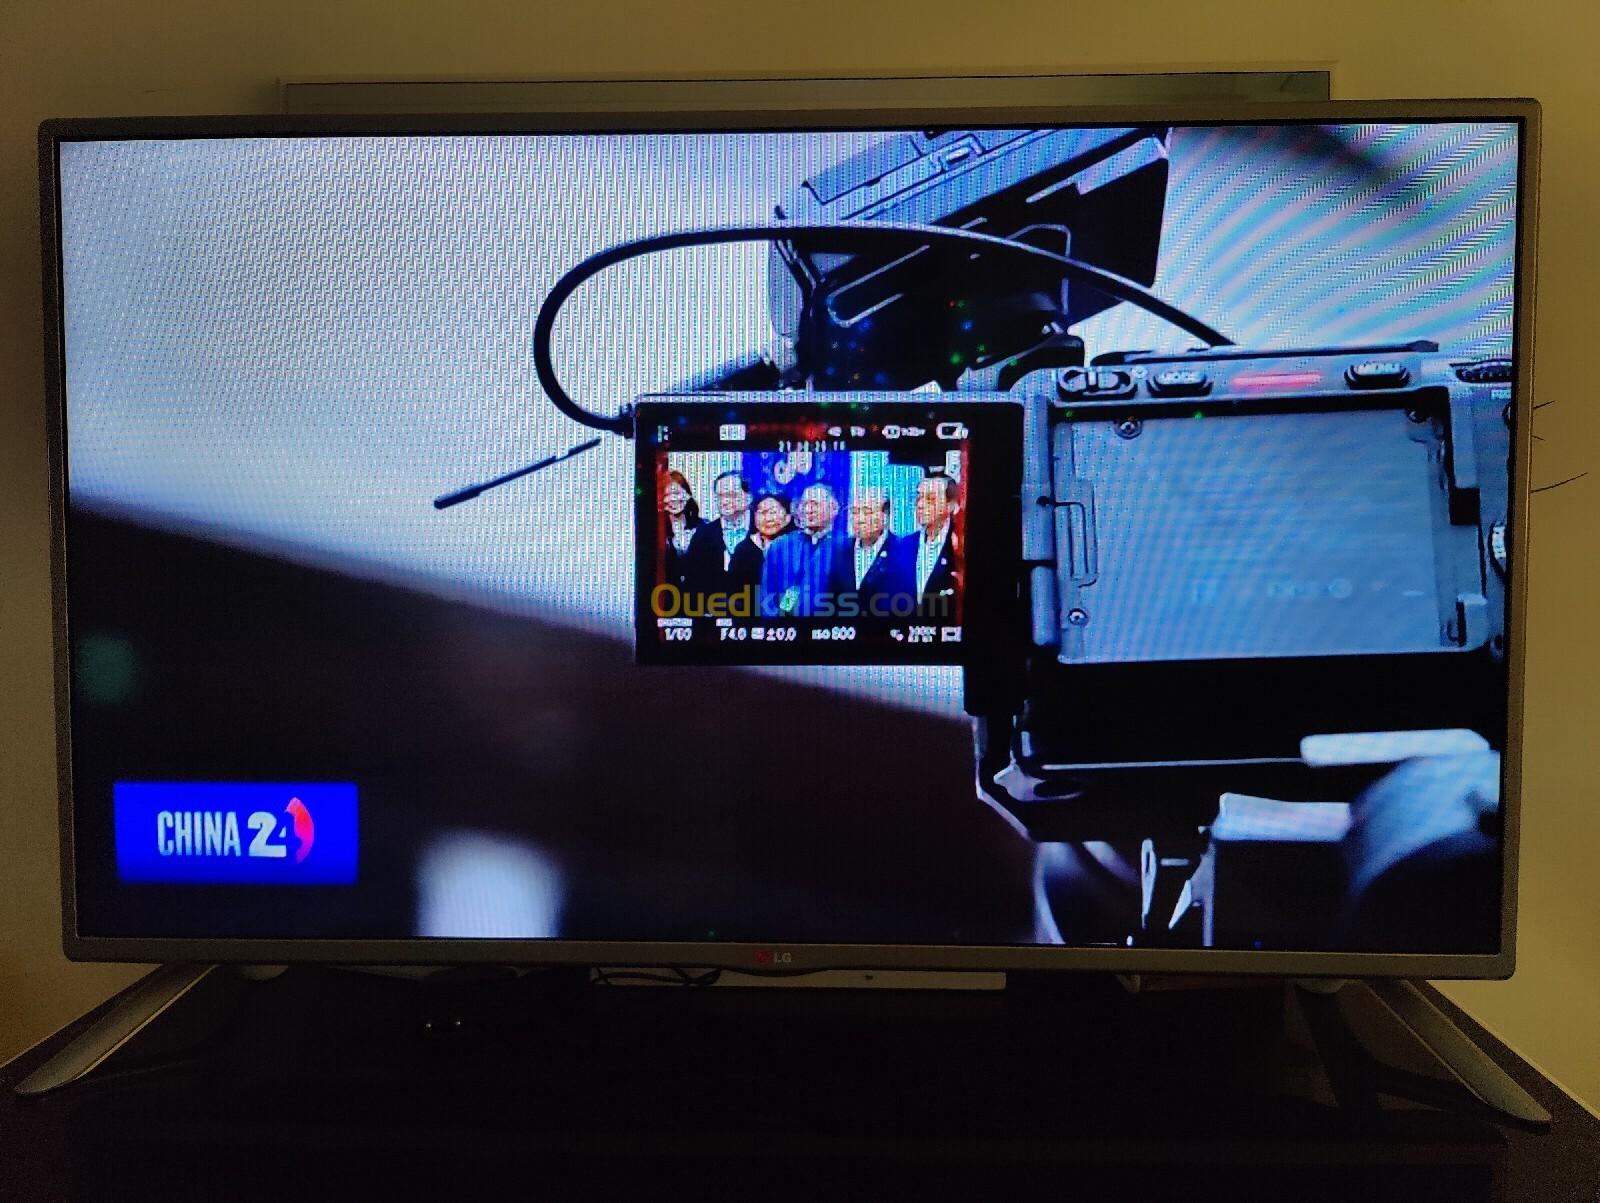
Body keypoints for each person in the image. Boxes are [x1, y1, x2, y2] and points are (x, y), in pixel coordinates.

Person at [760, 482, 844, 618]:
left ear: (834, 508)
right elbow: (767, 597)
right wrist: (780, 621)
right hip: (786, 626)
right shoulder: (781, 546)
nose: (809, 510)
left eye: (815, 504)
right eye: (804, 505)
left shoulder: (845, 546)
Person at [829, 485, 914, 616]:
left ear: (885, 516)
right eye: (854, 512)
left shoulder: (902, 551)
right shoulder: (839, 551)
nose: (859, 519)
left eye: (867, 512)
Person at [683, 470, 753, 603]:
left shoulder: (764, 529)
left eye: (731, 495)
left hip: (764, 612)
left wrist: (784, 611)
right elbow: (691, 584)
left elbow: (791, 581)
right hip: (715, 612)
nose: (725, 501)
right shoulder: (703, 535)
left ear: (748, 497)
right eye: (720, 496)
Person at [911, 471, 961, 616]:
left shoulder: (959, 546)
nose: (920, 505)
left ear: (950, 505)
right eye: (919, 497)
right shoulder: (904, 546)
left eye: (930, 499)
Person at [727, 492, 792, 600]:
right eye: (762, 513)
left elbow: (797, 587)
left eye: (773, 512)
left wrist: (782, 609)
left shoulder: (797, 548)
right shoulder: (743, 550)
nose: (768, 519)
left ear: (788, 518)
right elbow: (734, 591)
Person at [658, 470, 703, 592]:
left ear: (687, 495)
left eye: (677, 493)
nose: (673, 499)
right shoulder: (657, 533)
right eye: (666, 495)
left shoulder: (704, 528)